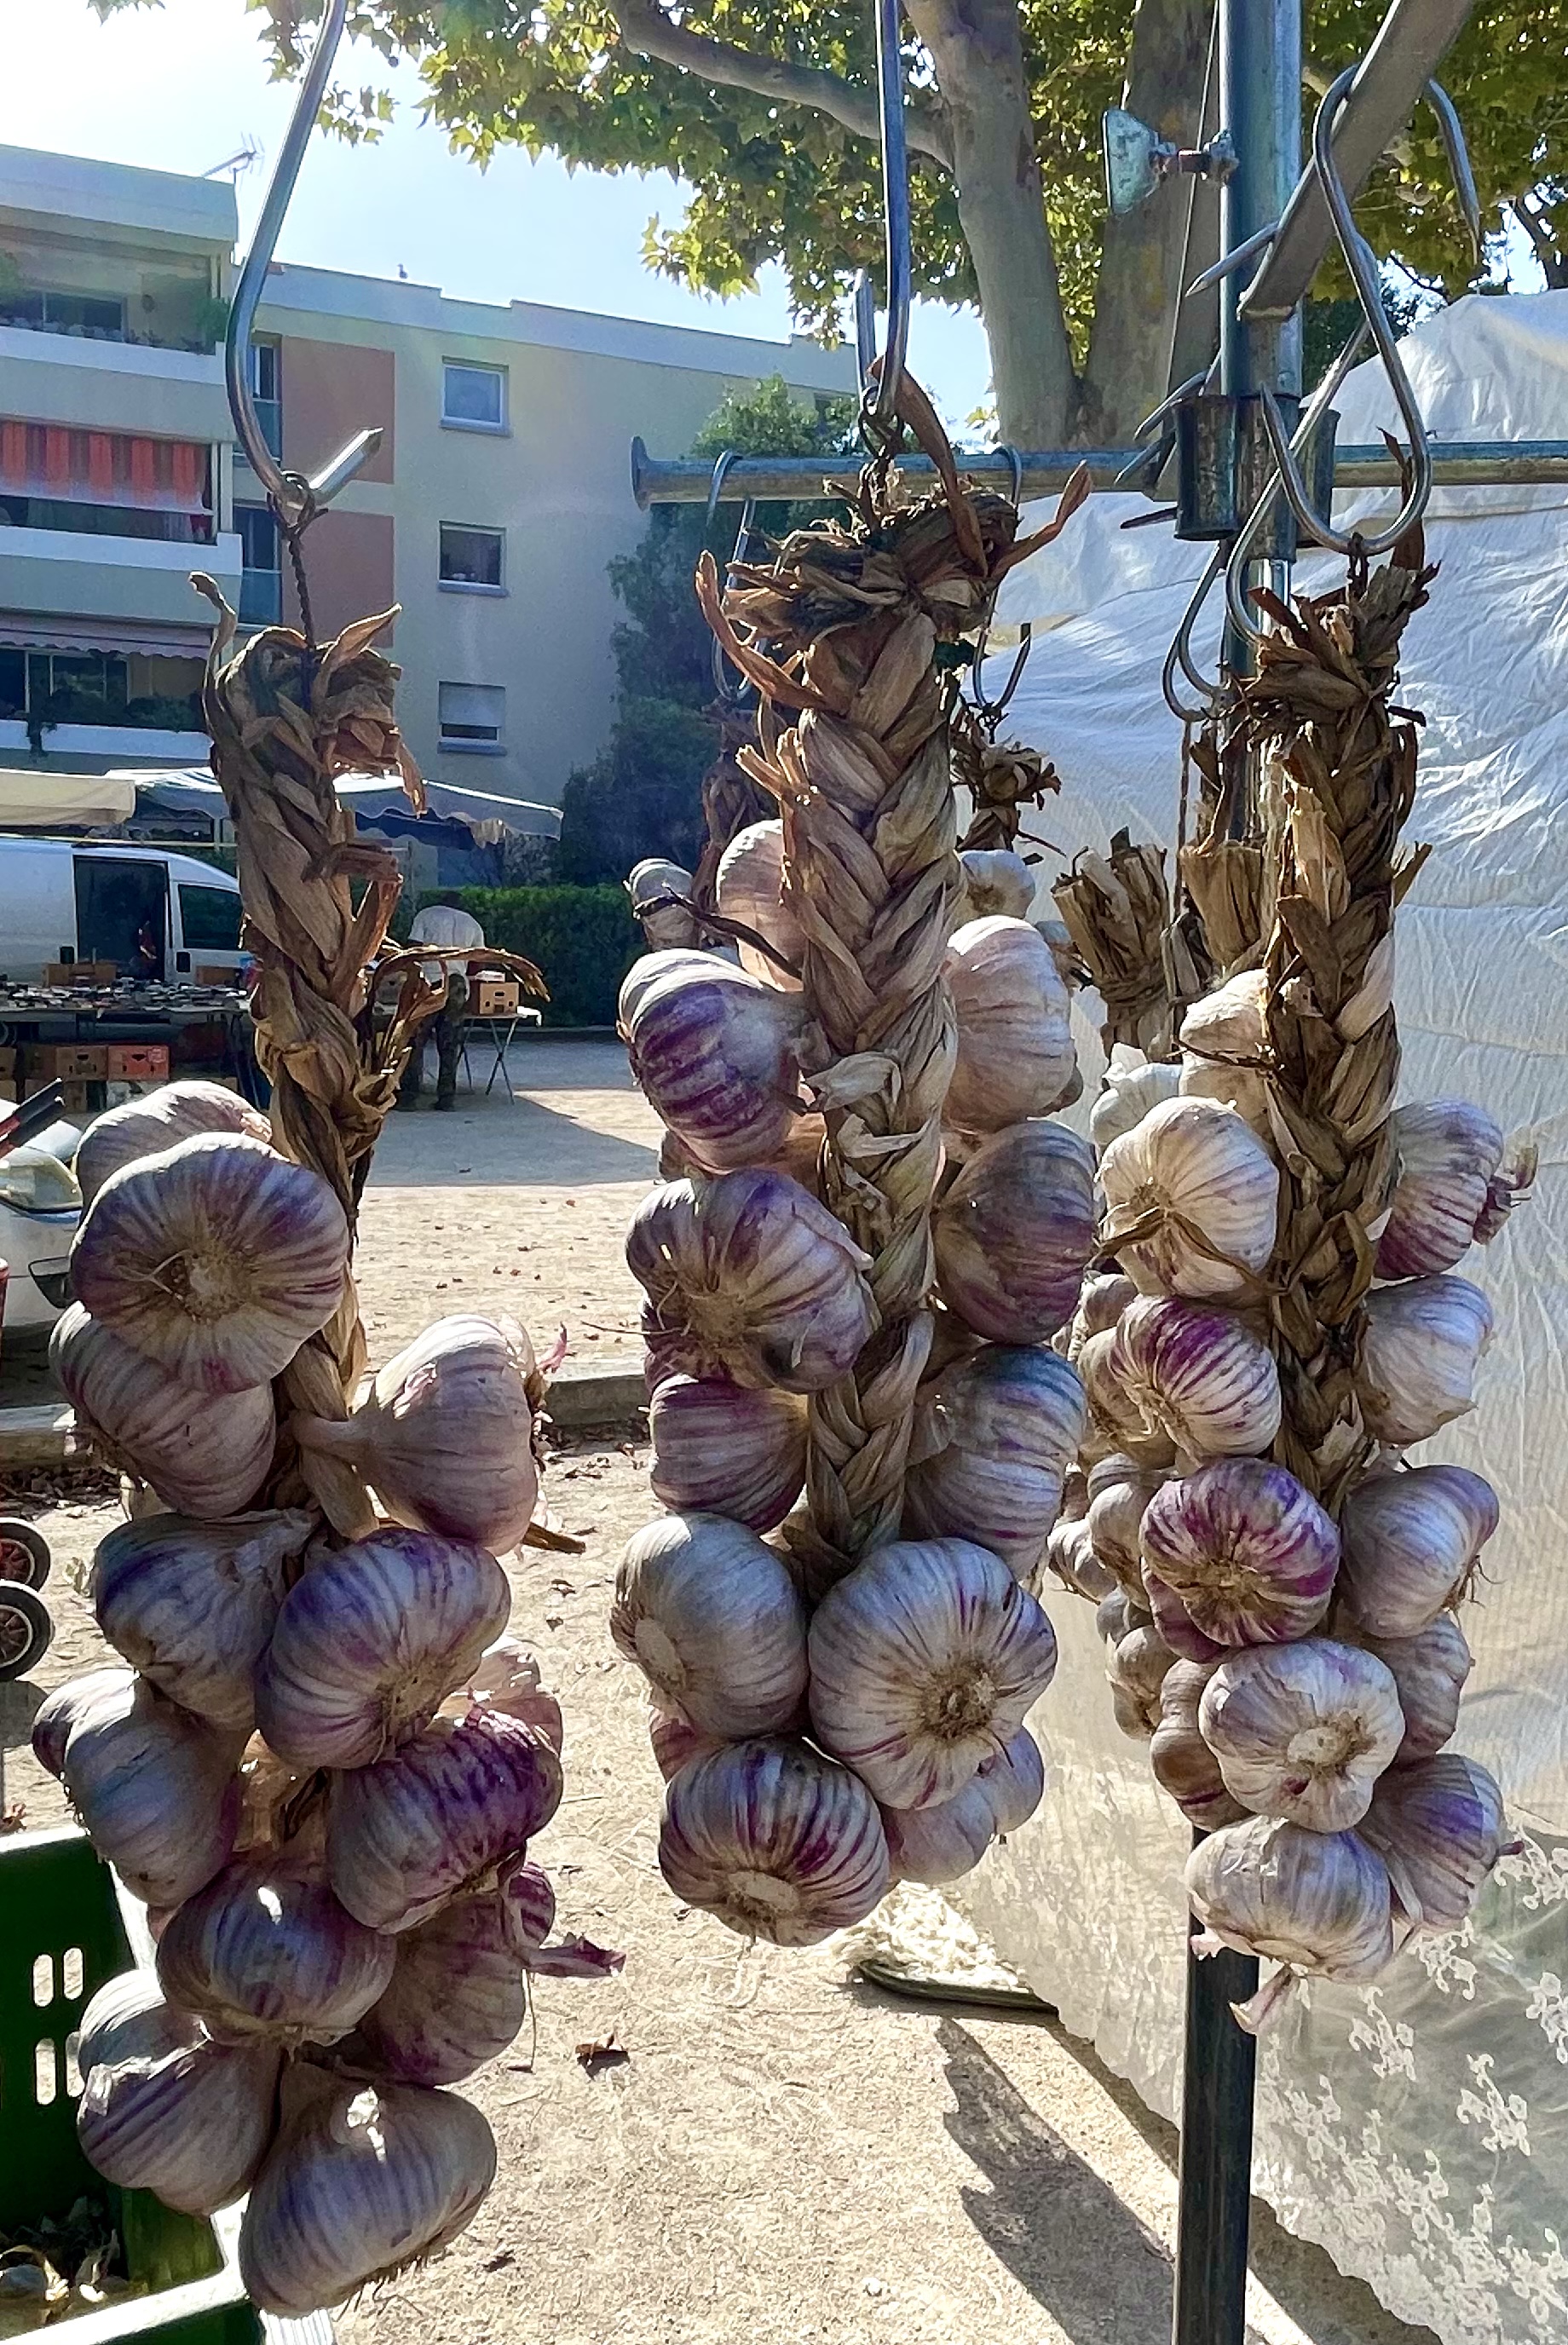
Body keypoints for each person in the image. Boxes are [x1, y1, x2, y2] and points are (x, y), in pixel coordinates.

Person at [397, 895, 485, 1111]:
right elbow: (477, 964)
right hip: (456, 985)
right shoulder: (472, 923)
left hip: (429, 982)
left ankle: (409, 1097)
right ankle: (447, 1098)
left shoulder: (426, 915)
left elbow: (413, 950)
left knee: (415, 1041)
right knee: (450, 1044)